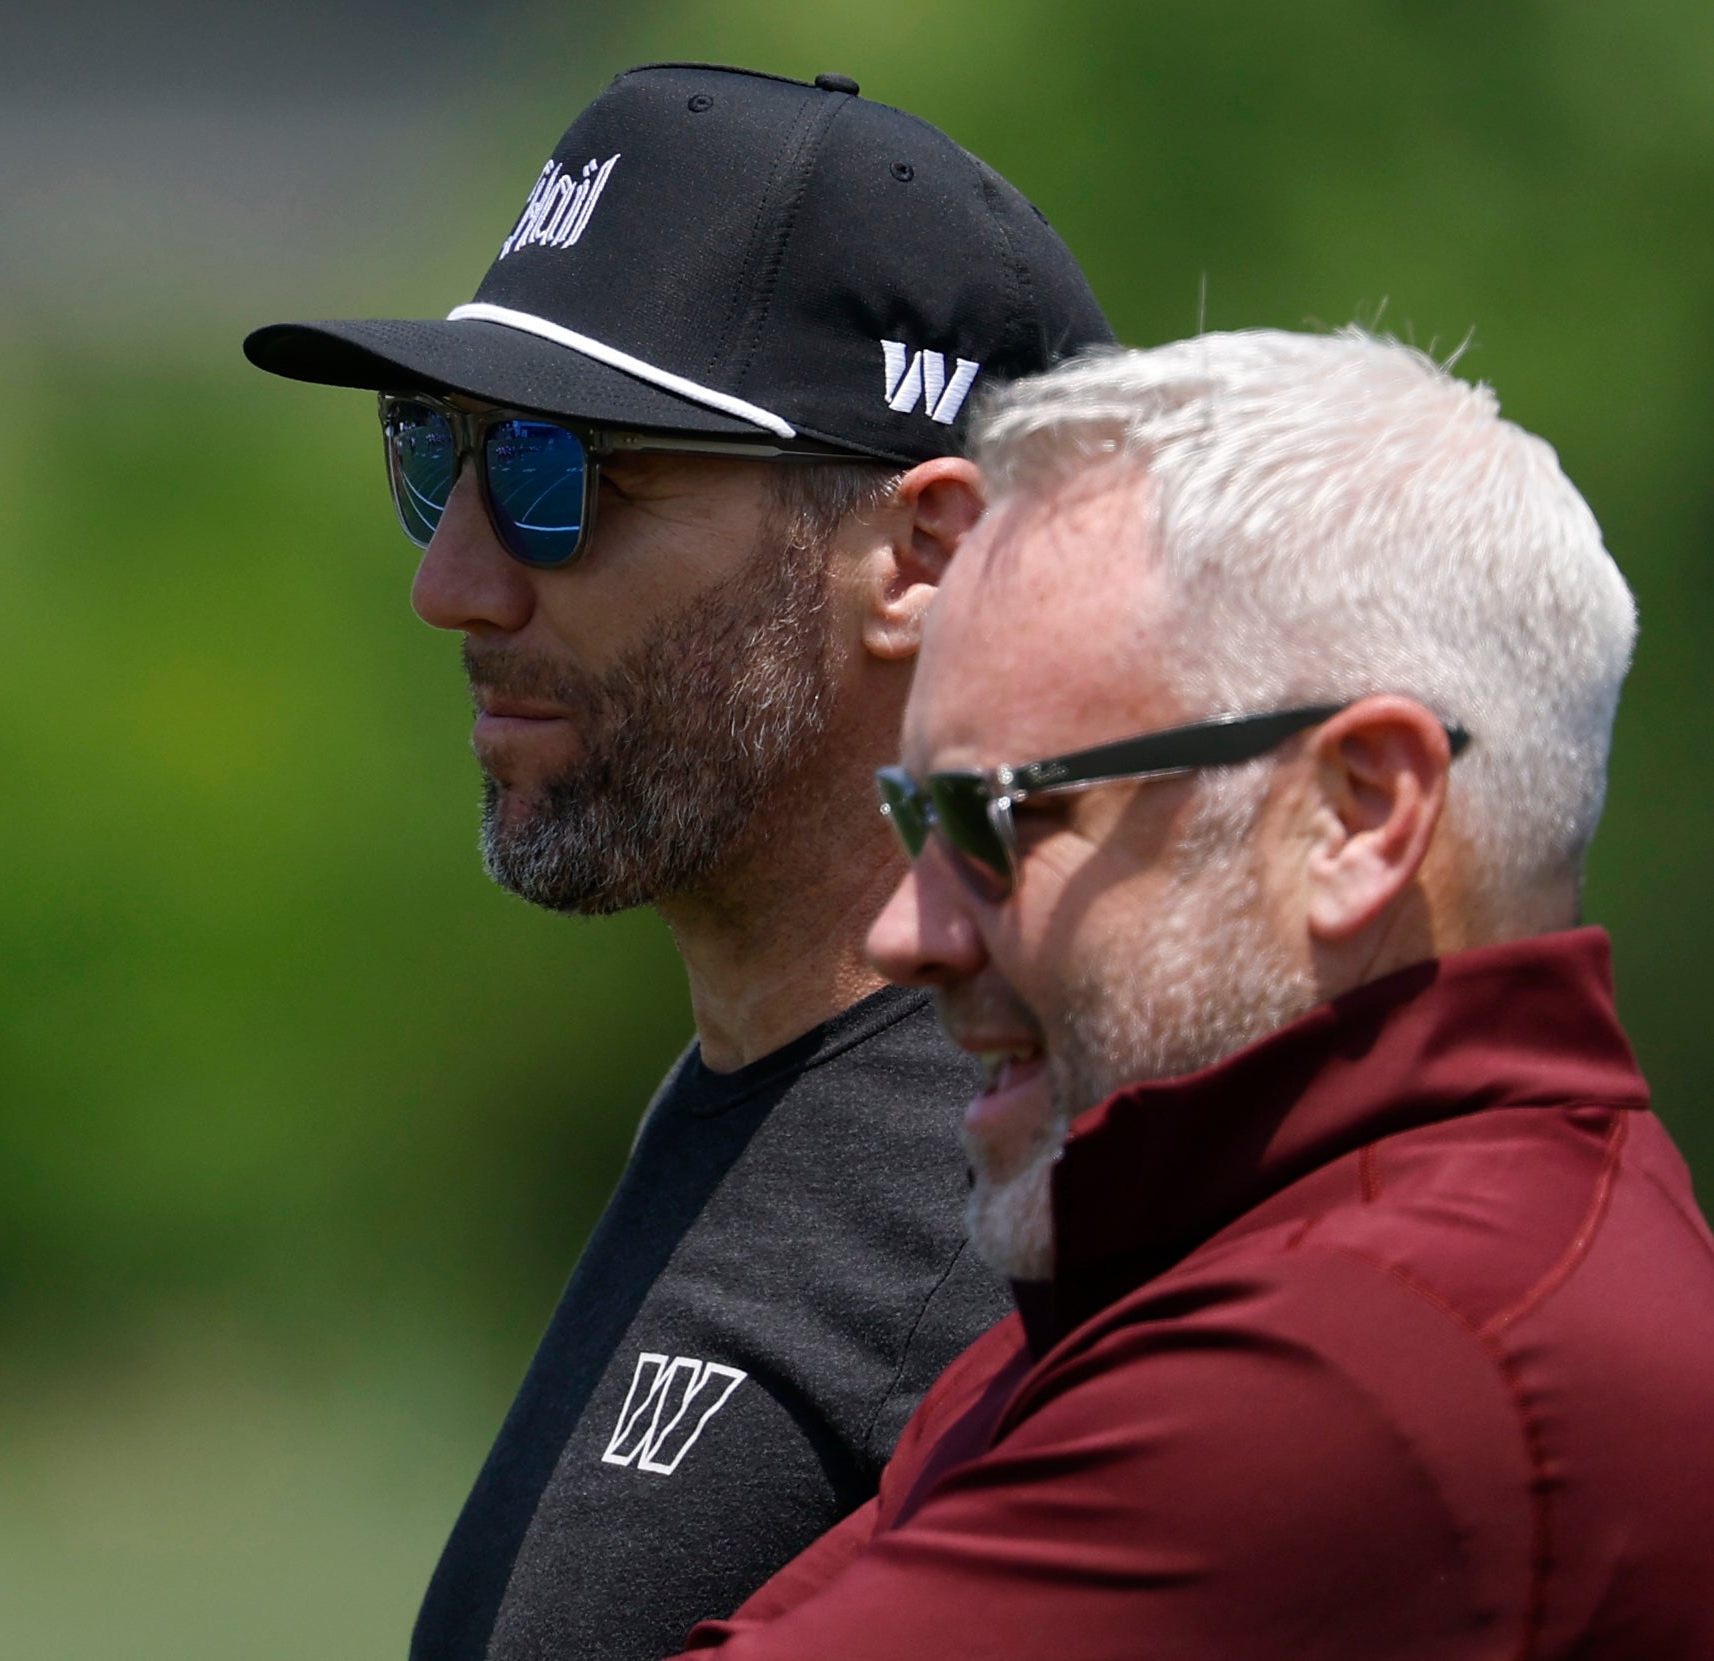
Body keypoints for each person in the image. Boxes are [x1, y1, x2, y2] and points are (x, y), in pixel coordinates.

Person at [242, 63, 1111, 1661]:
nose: (452, 582)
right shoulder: (759, 1081)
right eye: (439, 454)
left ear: (922, 556)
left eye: (562, 475)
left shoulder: (1026, 1219)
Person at [679, 327, 1714, 1659]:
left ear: (1359, 815)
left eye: (1001, 814)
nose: (908, 927)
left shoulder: (1368, 1363)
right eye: (911, 812)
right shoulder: (1248, 1258)